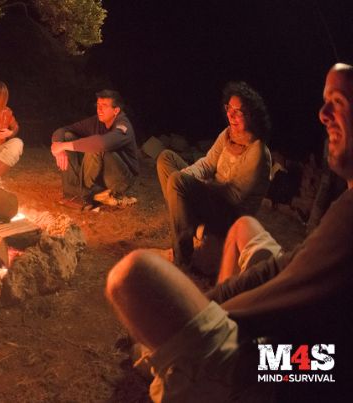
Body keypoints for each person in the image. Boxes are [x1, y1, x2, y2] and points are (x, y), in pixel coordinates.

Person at [105, 63, 353, 402]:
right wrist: (210, 303)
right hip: (321, 347)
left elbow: (284, 297)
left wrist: (198, 325)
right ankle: (203, 338)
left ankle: (216, 373)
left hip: (321, 363)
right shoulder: (346, 204)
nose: (323, 113)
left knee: (132, 276)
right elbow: (287, 269)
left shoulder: (259, 153)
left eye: (338, 101)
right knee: (245, 228)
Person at [157, 82, 272, 267]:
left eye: (238, 111)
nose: (231, 115)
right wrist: (187, 175)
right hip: (211, 198)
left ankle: (182, 256)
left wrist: (197, 186)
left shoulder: (257, 151)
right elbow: (208, 163)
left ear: (252, 116)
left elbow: (234, 196)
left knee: (178, 182)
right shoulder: (228, 135)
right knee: (166, 159)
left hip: (231, 214)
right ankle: (184, 218)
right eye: (229, 108)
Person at [51, 89, 139, 210]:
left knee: (97, 146)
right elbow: (64, 129)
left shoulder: (123, 125)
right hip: (101, 176)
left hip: (121, 178)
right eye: (98, 105)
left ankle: (87, 196)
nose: (99, 109)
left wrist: (63, 146)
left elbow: (102, 143)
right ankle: (73, 193)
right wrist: (57, 144)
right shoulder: (96, 121)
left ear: (116, 110)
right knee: (67, 137)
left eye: (104, 106)